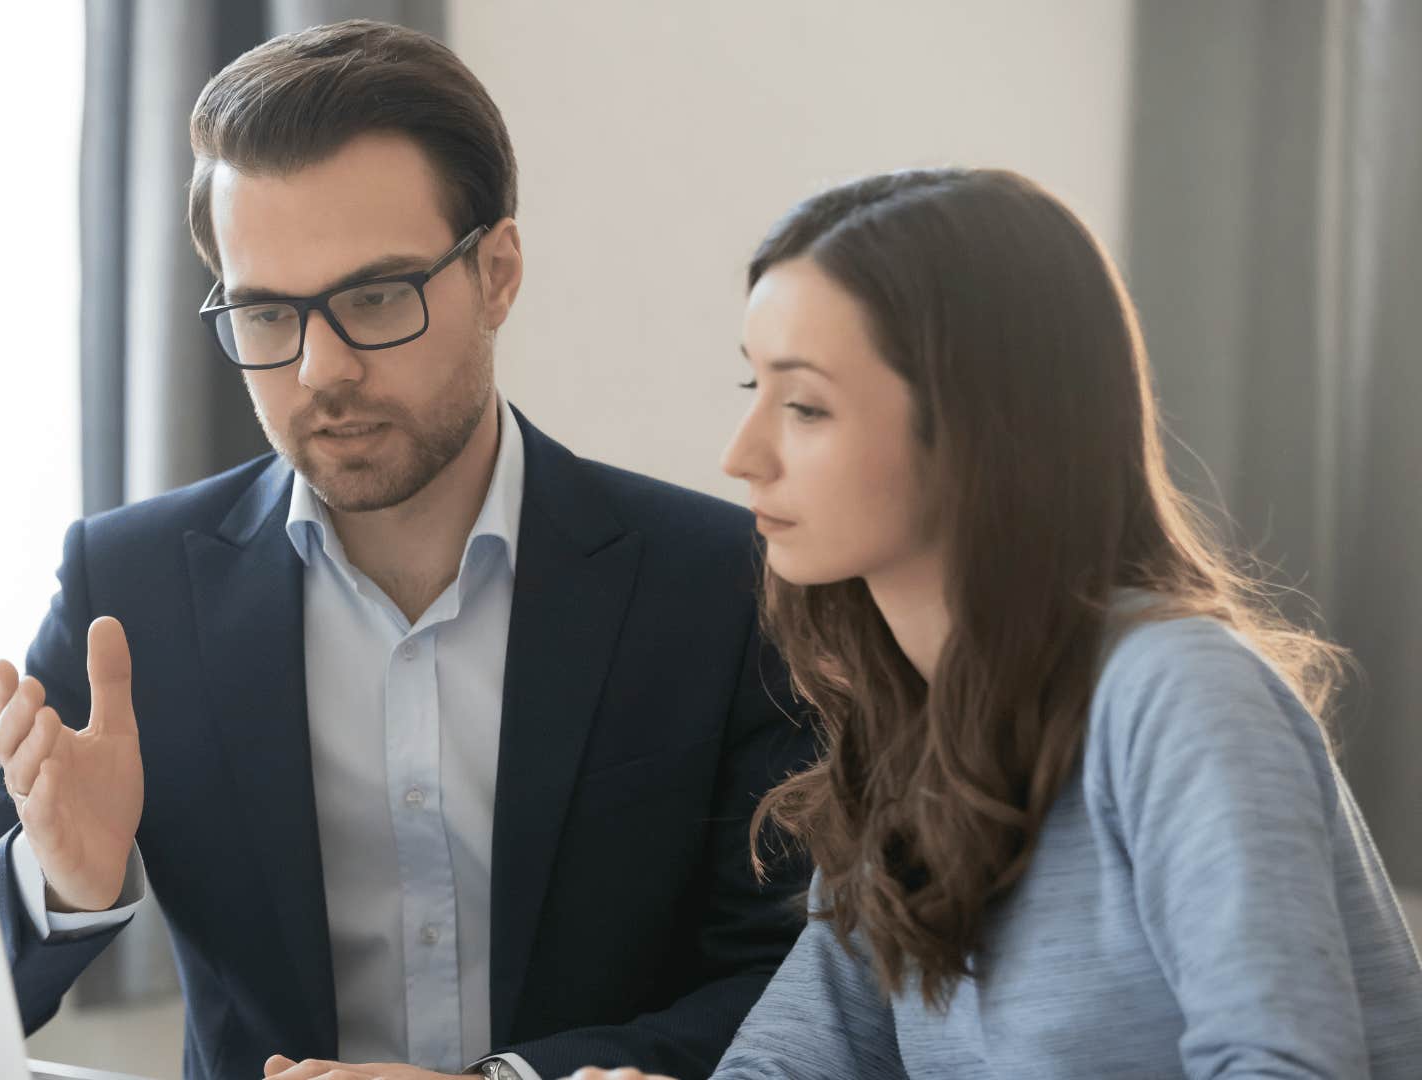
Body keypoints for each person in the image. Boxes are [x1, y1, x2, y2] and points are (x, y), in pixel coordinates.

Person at [0, 20, 816, 1080]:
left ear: (497, 273)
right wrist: (64, 883)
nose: (321, 370)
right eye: (268, 313)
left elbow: (793, 983)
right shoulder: (131, 590)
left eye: (374, 299)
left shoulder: (721, 585)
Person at [578, 167, 1422, 1079]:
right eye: (754, 387)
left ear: (980, 428)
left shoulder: (1179, 694)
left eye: (806, 405)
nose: (740, 454)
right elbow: (802, 1058)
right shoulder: (905, 732)